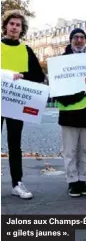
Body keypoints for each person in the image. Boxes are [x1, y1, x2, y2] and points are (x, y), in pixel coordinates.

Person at [1, 10, 45, 199]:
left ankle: (17, 183)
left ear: (22, 29)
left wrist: (23, 76)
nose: (14, 27)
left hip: (16, 103)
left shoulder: (26, 50)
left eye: (18, 25)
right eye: (12, 24)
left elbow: (39, 76)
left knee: (14, 144)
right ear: (5, 26)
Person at [55, 24, 86, 197]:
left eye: (82, 37)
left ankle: (82, 180)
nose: (79, 40)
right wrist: (75, 95)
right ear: (71, 40)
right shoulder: (62, 60)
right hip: (69, 112)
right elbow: (57, 87)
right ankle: (72, 181)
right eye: (76, 37)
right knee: (69, 151)